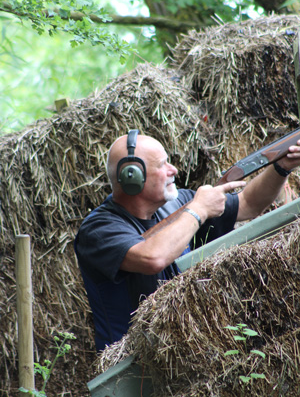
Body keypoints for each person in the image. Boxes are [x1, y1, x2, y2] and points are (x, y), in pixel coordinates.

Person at [74, 129, 300, 351]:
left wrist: (280, 167)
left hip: (181, 351)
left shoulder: (178, 203)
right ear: (132, 177)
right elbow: (153, 257)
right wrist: (198, 209)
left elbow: (248, 204)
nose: (173, 169)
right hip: (129, 365)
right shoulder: (98, 230)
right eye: (162, 165)